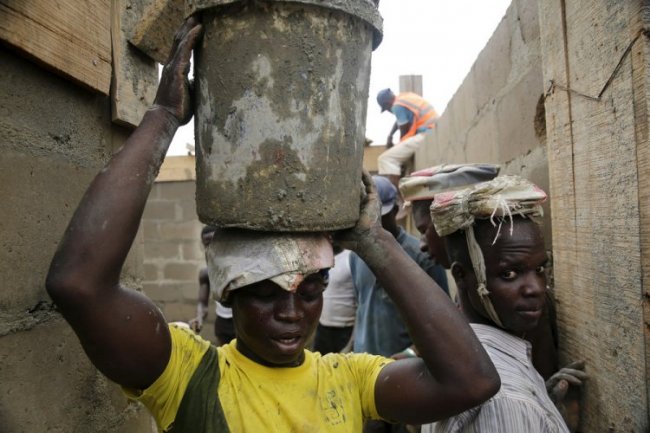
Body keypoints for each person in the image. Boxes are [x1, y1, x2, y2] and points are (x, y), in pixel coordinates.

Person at [44, 17, 500, 432]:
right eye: (265, 292)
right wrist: (162, 119)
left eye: (310, 290)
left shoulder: (350, 380)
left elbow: (472, 382)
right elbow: (78, 284)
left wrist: (372, 240)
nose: (291, 313)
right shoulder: (188, 375)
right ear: (229, 293)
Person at [420, 175, 587, 433]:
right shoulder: (501, 401)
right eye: (509, 274)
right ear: (461, 276)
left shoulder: (465, 355)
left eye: (541, 269)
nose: (537, 288)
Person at [400, 164, 560, 381]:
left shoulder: (509, 303)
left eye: (425, 231)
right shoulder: (474, 288)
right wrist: (411, 354)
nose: (423, 245)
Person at [351, 175, 449, 359]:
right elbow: (362, 308)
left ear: (395, 210)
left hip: (403, 367)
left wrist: (411, 353)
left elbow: (444, 322)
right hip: (363, 365)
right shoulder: (356, 254)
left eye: (380, 217)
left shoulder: (423, 257)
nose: (373, 224)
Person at [376, 88, 437, 190]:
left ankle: (401, 198)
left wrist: (396, 145)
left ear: (387, 103)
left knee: (386, 159)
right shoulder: (404, 98)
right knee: (408, 167)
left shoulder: (397, 106)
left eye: (386, 109)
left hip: (426, 134)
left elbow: (403, 127)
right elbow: (399, 121)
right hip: (432, 131)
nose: (389, 111)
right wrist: (390, 135)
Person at [189, 225, 236, 345]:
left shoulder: (238, 268)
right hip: (222, 324)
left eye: (215, 242)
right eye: (207, 244)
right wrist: (199, 318)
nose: (211, 247)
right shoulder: (206, 274)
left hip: (242, 322)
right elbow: (202, 304)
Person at [313, 246, 356, 354]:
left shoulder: (350, 258)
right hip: (322, 328)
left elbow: (360, 301)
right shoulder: (320, 258)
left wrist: (352, 342)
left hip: (345, 331)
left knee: (342, 368)